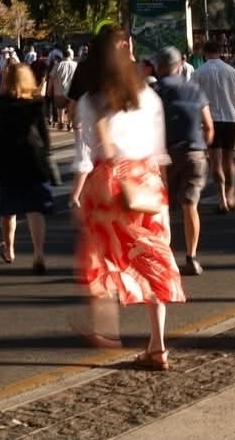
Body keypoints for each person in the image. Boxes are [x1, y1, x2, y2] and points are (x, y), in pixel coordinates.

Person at [69, 25, 184, 371]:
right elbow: (160, 152)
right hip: (146, 182)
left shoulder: (90, 101)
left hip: (109, 182)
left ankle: (105, 326)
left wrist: (77, 194)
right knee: (153, 259)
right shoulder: (148, 96)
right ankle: (157, 345)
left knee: (98, 254)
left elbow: (85, 155)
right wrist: (162, 194)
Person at [0, 62, 56, 273]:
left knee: (9, 208)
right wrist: (47, 155)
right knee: (35, 209)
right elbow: (44, 134)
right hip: (33, 159)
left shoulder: (2, 102)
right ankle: (38, 253)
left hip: (9, 159)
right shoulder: (37, 102)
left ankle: (9, 249)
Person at [155, 46, 214, 275]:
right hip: (194, 152)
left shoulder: (155, 91)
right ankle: (191, 256)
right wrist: (204, 148)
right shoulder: (195, 89)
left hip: (165, 155)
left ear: (159, 67)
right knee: (190, 205)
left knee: (162, 208)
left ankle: (164, 258)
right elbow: (208, 126)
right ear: (180, 65)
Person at [192, 40, 235, 213]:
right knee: (229, 160)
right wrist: (230, 98)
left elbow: (192, 96)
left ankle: (222, 199)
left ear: (205, 53)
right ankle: (231, 196)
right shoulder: (231, 71)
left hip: (211, 120)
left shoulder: (199, 73)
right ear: (220, 51)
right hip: (230, 118)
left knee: (215, 161)